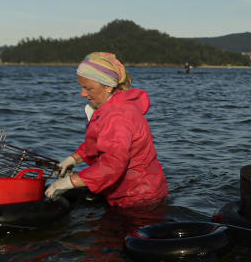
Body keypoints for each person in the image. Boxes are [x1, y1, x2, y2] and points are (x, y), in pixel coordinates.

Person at [45, 52, 168, 210]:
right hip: (131, 191)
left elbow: (112, 165)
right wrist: (73, 159)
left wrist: (69, 182)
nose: (82, 94)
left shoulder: (118, 116)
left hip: (138, 198)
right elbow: (101, 142)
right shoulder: (111, 107)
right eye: (81, 87)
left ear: (108, 86)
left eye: (88, 88)